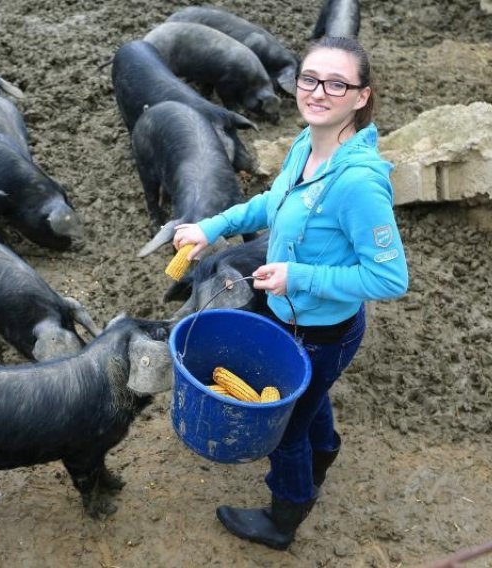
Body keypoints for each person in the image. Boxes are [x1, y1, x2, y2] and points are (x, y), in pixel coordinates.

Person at [172, 36, 409, 550]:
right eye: (309, 78)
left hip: (323, 331)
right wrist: (210, 227)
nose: (318, 91)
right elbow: (273, 202)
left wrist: (298, 277)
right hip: (291, 318)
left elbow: (390, 278)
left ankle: (285, 515)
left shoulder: (359, 184)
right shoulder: (308, 143)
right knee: (307, 397)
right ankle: (324, 452)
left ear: (361, 96)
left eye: (336, 83)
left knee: (285, 432)